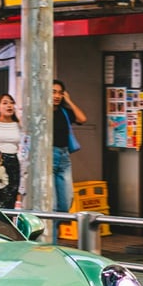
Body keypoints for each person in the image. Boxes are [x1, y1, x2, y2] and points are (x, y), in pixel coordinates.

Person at [52, 79, 87, 212]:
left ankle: (56, 230)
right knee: (52, 205)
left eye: (60, 93)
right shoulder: (42, 112)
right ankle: (53, 233)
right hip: (49, 157)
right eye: (53, 92)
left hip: (64, 157)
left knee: (65, 203)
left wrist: (69, 101)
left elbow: (82, 119)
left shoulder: (64, 111)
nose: (57, 96)